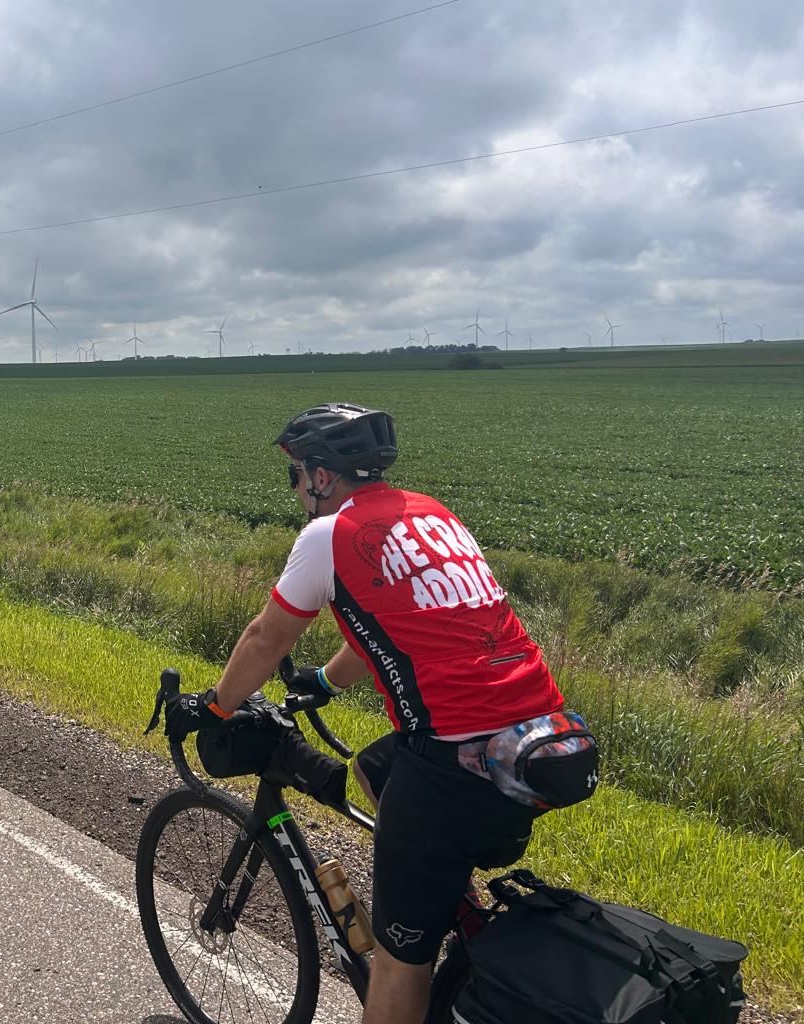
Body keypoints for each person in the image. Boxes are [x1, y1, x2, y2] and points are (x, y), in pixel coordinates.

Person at [163, 403, 597, 1024]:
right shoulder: (432, 515)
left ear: (320, 476)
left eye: (296, 476)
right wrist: (324, 681)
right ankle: (448, 898)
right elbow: (399, 624)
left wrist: (213, 706)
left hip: (455, 759)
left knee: (399, 961)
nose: (296, 489)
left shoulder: (327, 535)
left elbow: (265, 639)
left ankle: (420, 932)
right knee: (372, 769)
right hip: (541, 737)